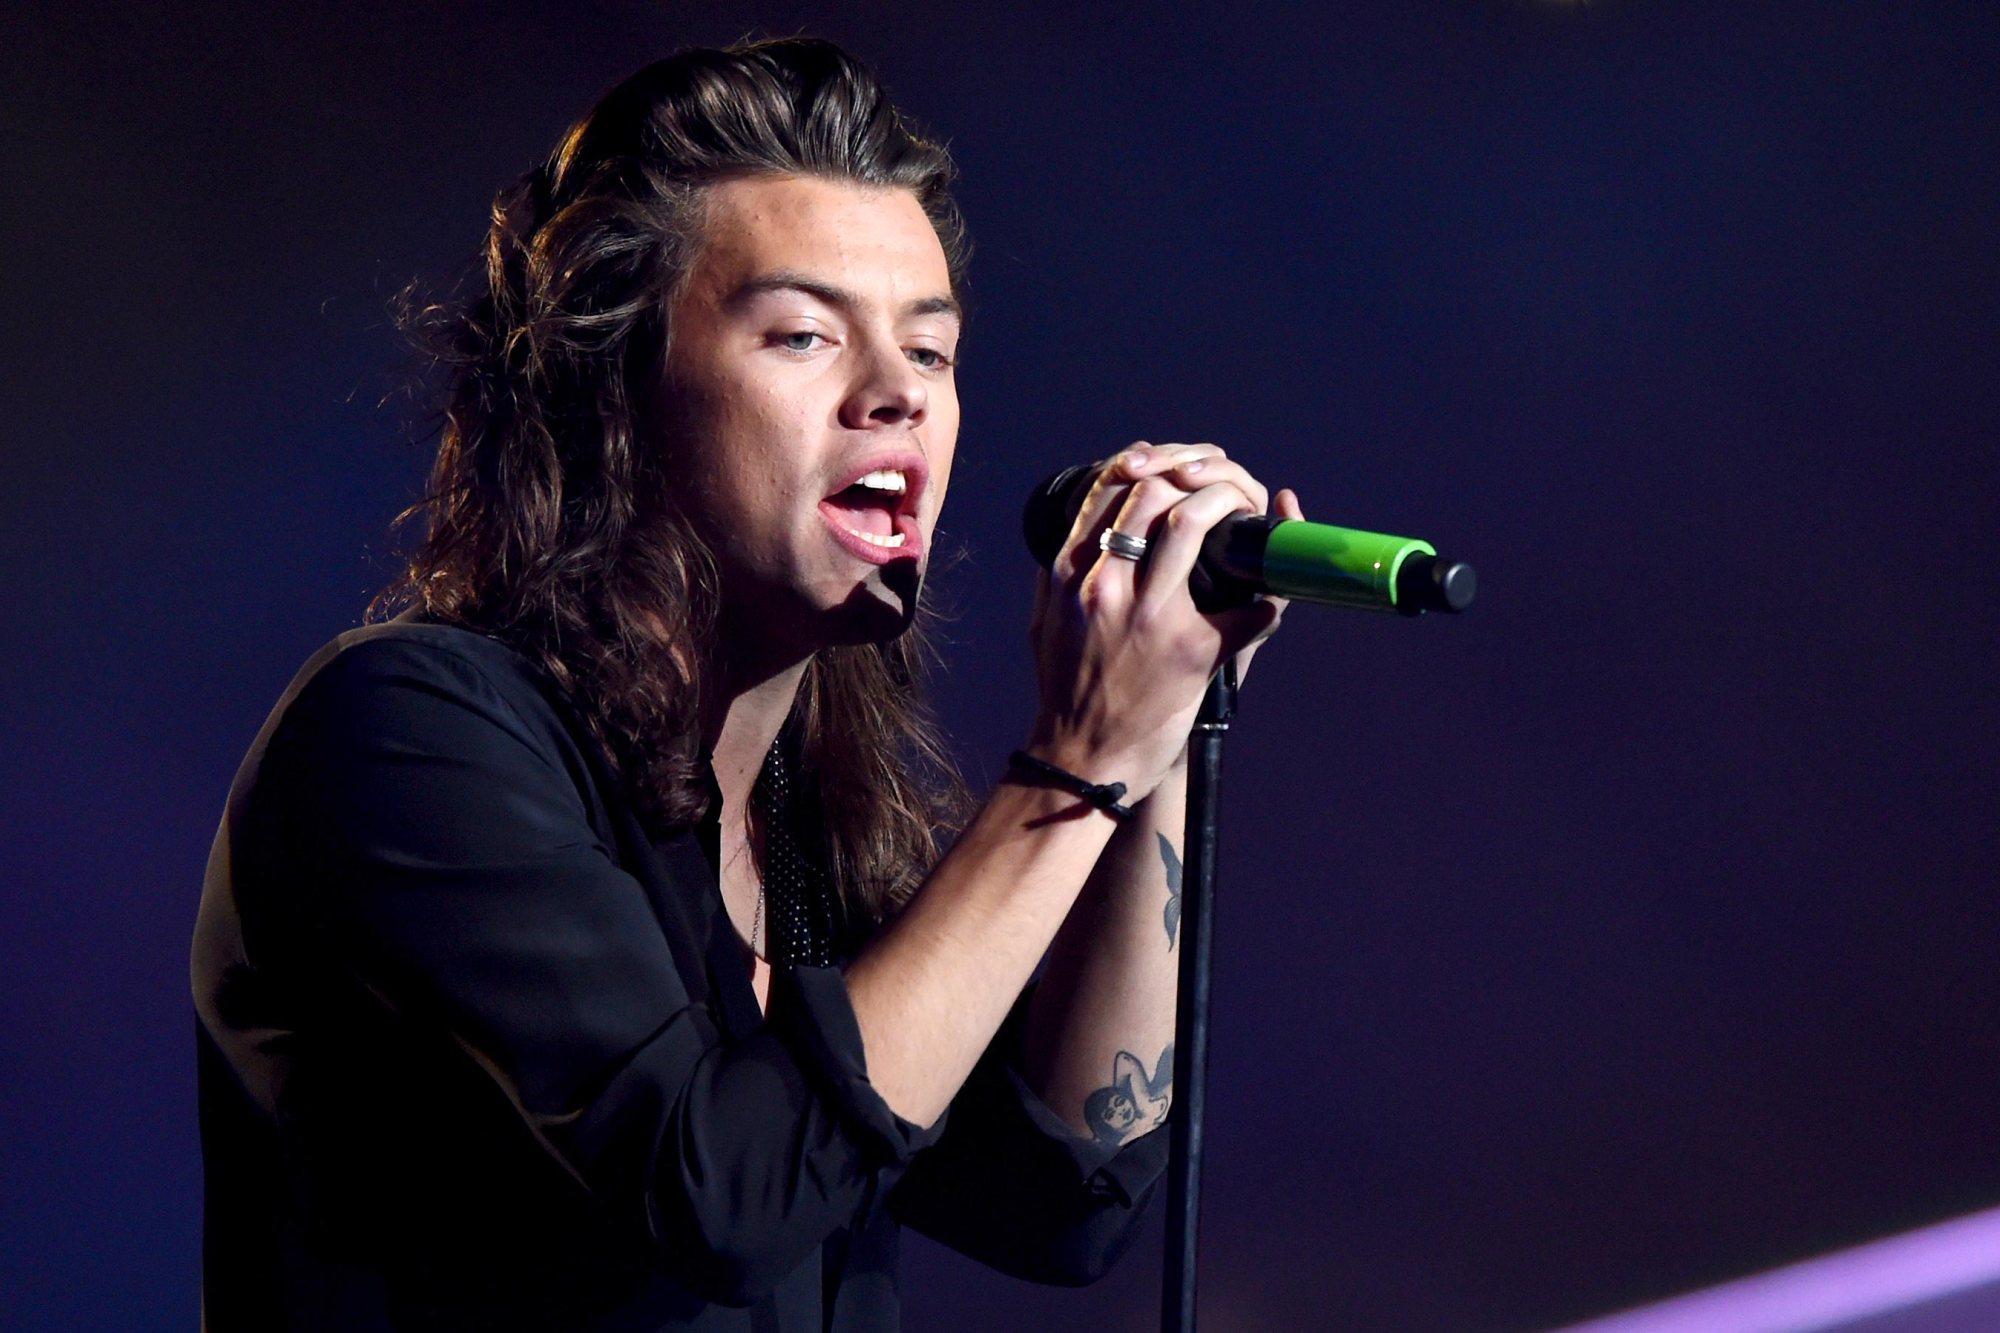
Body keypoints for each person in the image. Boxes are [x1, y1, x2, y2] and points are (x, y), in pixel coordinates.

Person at [192, 36, 1302, 1331]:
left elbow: (1059, 1196)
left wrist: (1159, 734)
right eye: (804, 335)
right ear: (615, 389)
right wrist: (1080, 759)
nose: (894, 395)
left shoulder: (807, 821)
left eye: (931, 351)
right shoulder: (404, 736)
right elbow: (721, 1188)